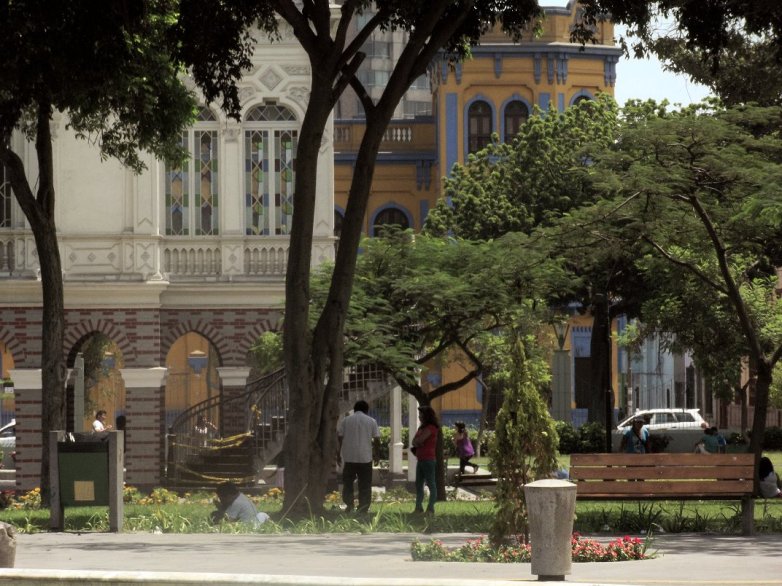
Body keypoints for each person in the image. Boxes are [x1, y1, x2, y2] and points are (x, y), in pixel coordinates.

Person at [336, 400, 380, 513]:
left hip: (349, 457)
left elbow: (339, 438)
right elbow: (376, 439)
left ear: (354, 409)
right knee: (365, 483)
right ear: (366, 410)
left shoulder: (346, 421)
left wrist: (338, 454)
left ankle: (349, 505)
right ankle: (363, 507)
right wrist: (377, 455)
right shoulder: (372, 421)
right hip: (365, 457)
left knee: (348, 483)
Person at [412, 405, 439, 514]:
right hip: (420, 459)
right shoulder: (422, 428)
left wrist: (418, 441)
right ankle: (418, 508)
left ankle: (430, 508)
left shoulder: (431, 427)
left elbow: (420, 440)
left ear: (426, 416)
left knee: (431, 484)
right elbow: (414, 441)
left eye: (421, 415)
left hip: (428, 460)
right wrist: (418, 441)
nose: (419, 417)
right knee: (418, 484)